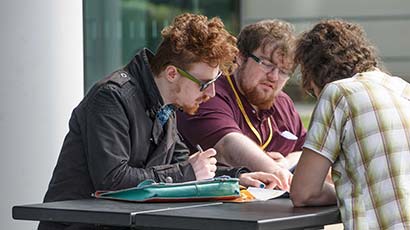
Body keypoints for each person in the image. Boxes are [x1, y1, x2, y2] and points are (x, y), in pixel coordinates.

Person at [39, 13, 283, 230]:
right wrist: (187, 172)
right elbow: (112, 180)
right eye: (205, 84)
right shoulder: (111, 97)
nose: (211, 93)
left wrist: (234, 179)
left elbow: (181, 165)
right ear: (172, 73)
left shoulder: (167, 104)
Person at [290, 19, 410, 229]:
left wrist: (348, 189)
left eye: (310, 90)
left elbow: (304, 192)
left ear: (315, 72)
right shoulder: (403, 89)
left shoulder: (338, 93)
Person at [177, 19, 307, 190]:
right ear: (240, 57)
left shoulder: (283, 103)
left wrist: (287, 162)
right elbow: (228, 146)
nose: (274, 77)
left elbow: (309, 151)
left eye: (284, 71)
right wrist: (275, 170)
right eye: (267, 64)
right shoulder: (209, 93)